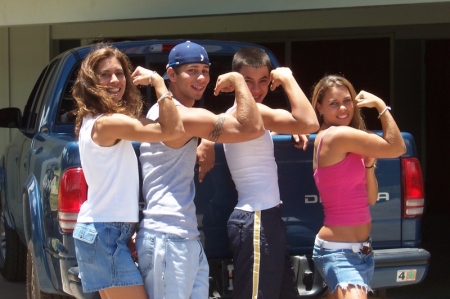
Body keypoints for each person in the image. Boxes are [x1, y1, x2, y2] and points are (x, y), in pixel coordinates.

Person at [131, 41, 265, 299]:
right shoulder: (182, 116)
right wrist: (238, 81)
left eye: (205, 70)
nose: (201, 77)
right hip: (168, 238)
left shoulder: (171, 113)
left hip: (184, 237)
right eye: (192, 70)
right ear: (171, 74)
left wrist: (209, 139)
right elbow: (252, 127)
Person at [71, 45, 184, 299]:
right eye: (105, 75)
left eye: (120, 73)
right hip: (103, 233)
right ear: (91, 82)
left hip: (104, 231)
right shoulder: (109, 122)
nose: (114, 80)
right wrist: (158, 82)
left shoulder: (99, 120)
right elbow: (173, 130)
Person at [206, 47, 317, 299]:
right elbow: (310, 122)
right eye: (247, 82)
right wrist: (287, 77)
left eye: (263, 81)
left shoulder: (238, 117)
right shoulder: (255, 114)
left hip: (264, 221)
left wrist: (286, 128)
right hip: (256, 220)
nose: (256, 90)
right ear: (235, 82)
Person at [311, 75, 406, 299]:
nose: (343, 108)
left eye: (347, 100)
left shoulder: (348, 142)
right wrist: (381, 106)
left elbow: (370, 199)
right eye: (333, 103)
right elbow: (397, 147)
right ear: (319, 107)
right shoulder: (337, 135)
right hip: (339, 252)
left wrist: (369, 164)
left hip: (363, 251)